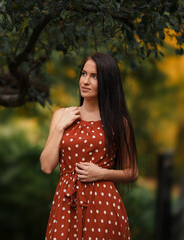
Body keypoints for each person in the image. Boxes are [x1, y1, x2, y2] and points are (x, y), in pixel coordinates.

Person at [40, 52, 138, 240]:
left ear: (108, 82)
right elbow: (46, 166)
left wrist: (102, 173)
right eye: (83, 74)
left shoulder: (118, 122)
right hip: (66, 203)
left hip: (103, 206)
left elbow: (132, 172)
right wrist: (60, 127)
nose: (86, 81)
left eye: (94, 77)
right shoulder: (62, 116)